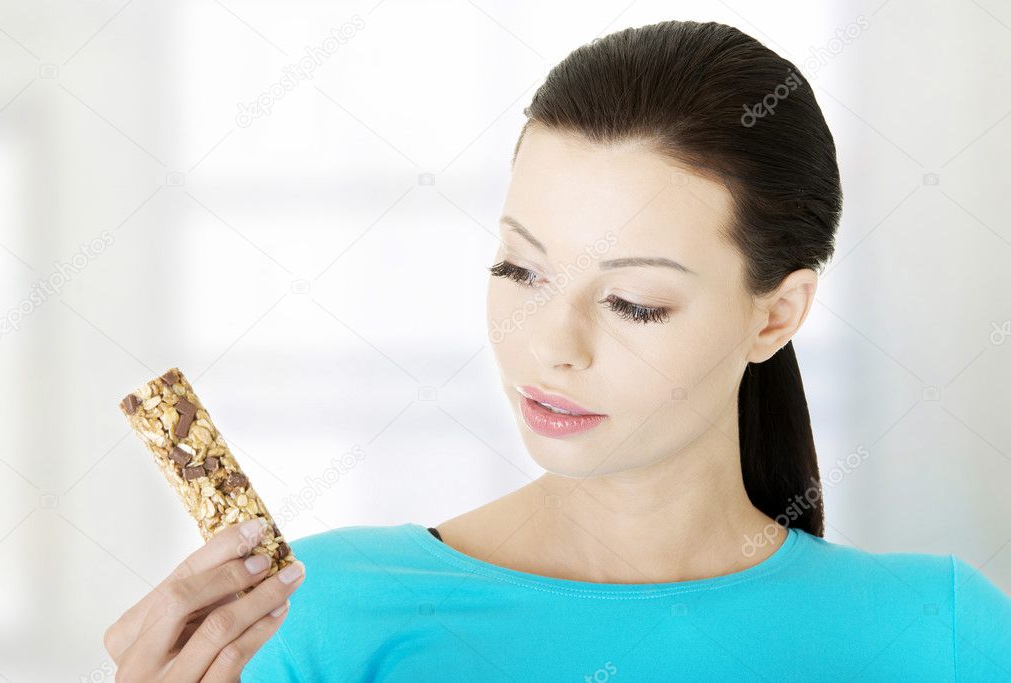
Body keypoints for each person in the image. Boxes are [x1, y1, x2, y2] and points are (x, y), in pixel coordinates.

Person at [107, 19, 1011, 681]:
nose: (549, 346)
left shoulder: (944, 631)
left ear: (775, 316)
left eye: (633, 301)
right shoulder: (313, 618)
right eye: (520, 268)